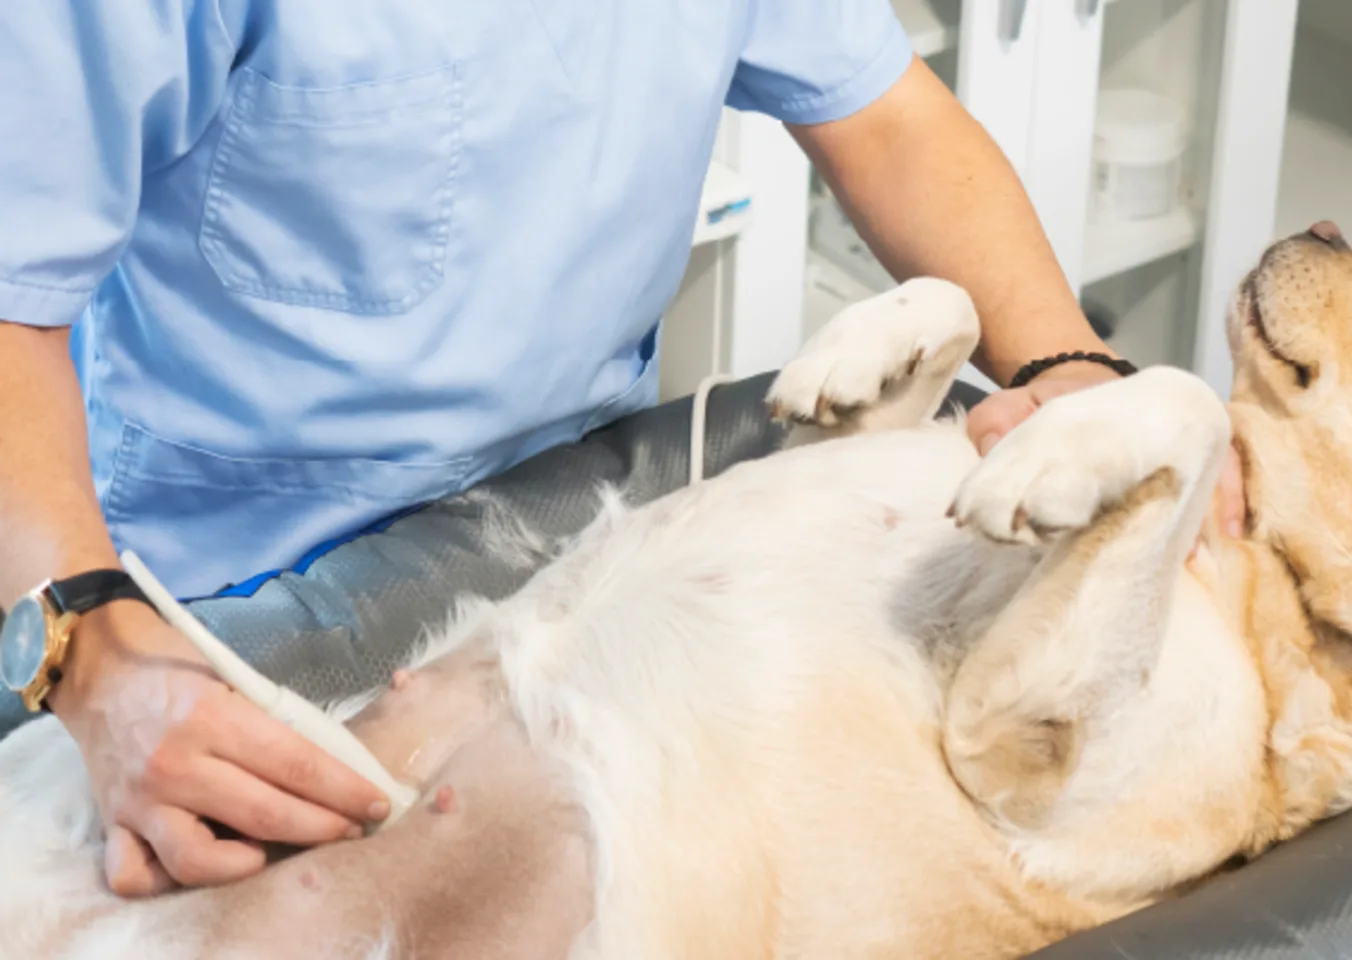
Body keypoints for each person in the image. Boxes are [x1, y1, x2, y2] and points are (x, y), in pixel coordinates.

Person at [0, 1, 1243, 897]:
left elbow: (888, 121)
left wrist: (1070, 368)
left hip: (573, 522)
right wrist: (90, 656)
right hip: (226, 589)